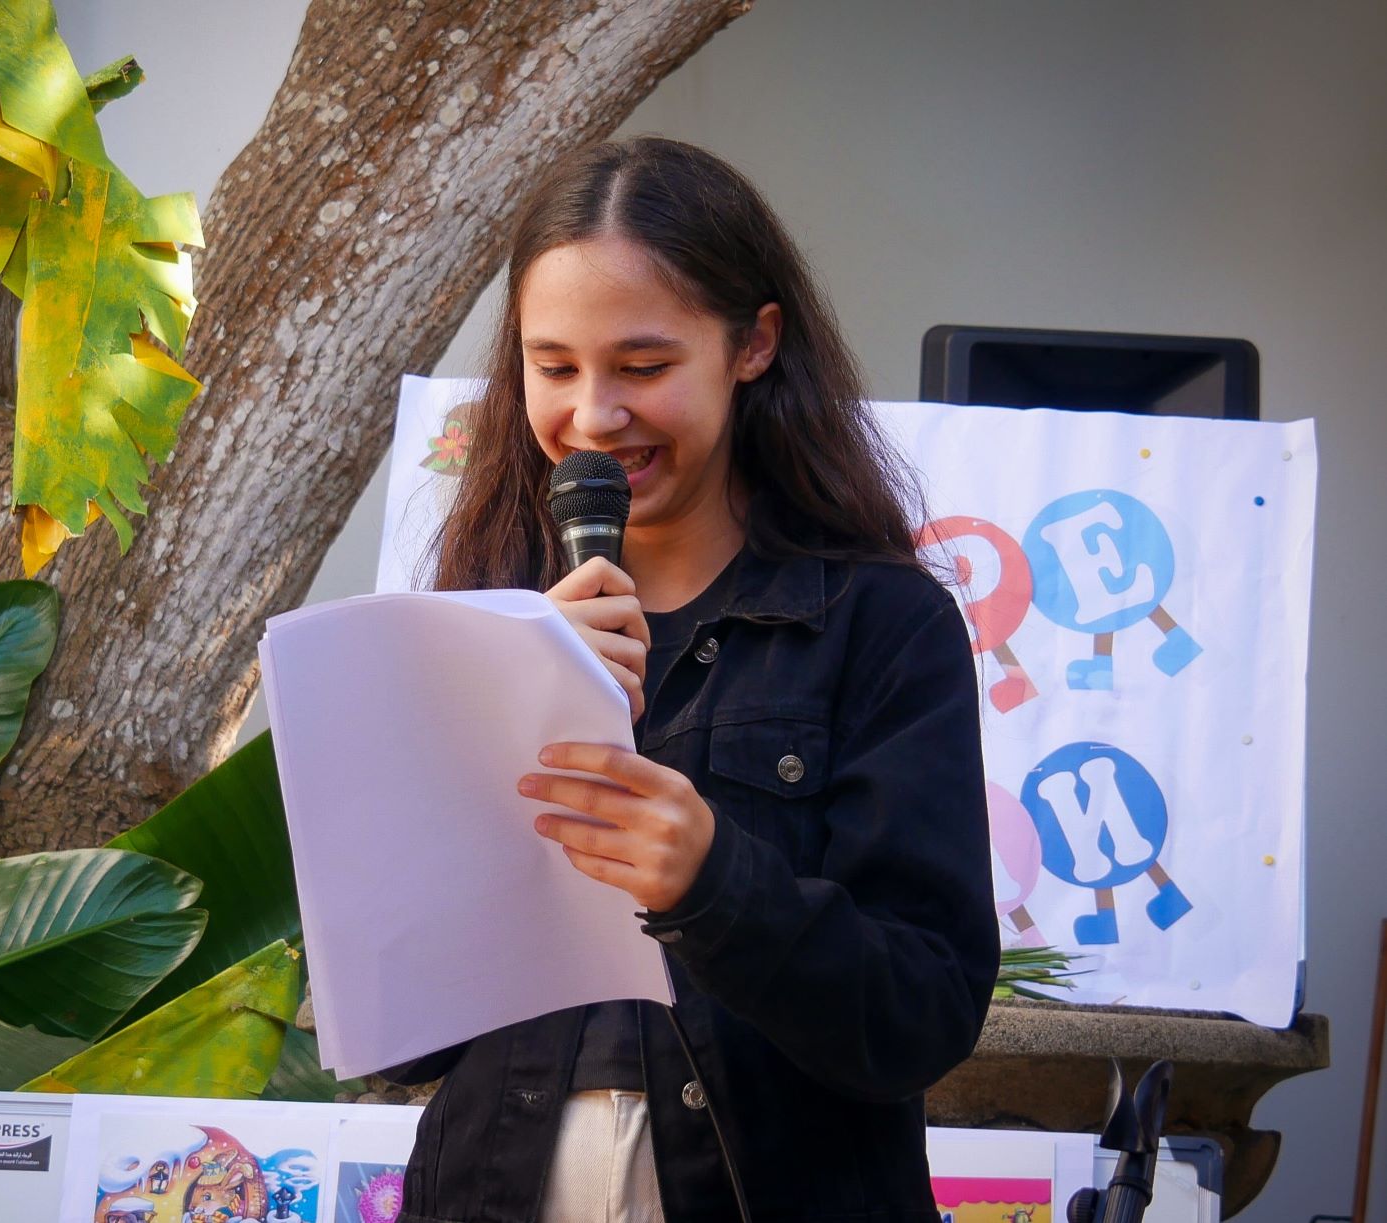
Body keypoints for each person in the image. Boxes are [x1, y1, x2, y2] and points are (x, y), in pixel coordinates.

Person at [384, 136, 999, 1222]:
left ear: (752, 343)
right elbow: (401, 1035)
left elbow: (920, 1014)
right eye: (554, 365)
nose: (592, 415)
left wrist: (714, 879)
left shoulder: (879, 623)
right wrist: (500, 716)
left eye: (642, 365)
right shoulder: (475, 614)